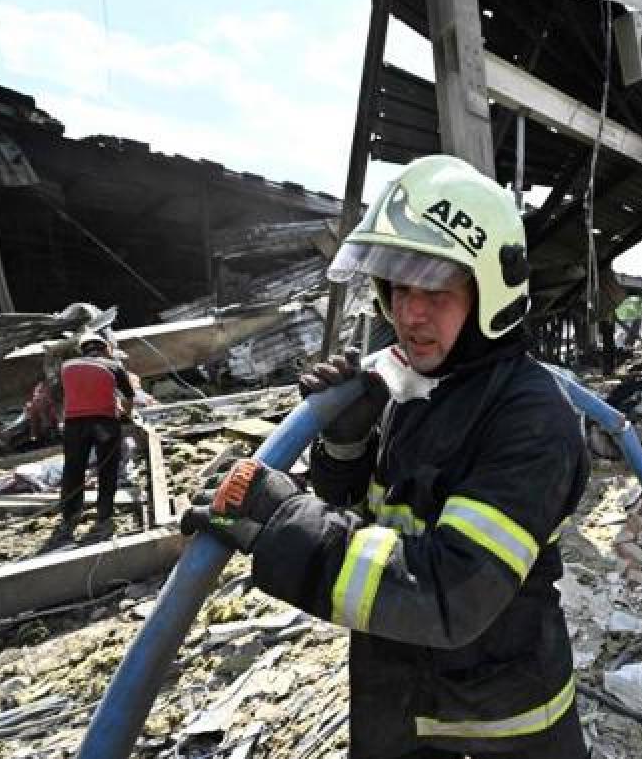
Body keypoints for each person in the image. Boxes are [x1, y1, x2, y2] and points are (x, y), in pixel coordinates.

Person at [181, 154, 591, 759]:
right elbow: (367, 523)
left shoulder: (533, 419)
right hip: (398, 707)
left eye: (436, 291)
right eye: (399, 287)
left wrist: (282, 521)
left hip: (496, 730)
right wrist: (346, 445)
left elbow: (449, 593)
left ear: (491, 291)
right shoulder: (420, 387)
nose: (410, 314)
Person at [56, 331, 135, 538]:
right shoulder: (114, 366)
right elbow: (129, 397)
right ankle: (104, 515)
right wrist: (126, 413)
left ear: (83, 350)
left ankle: (69, 516)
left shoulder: (66, 367)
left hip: (73, 425)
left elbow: (60, 395)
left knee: (73, 470)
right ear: (105, 349)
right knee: (106, 469)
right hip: (104, 424)